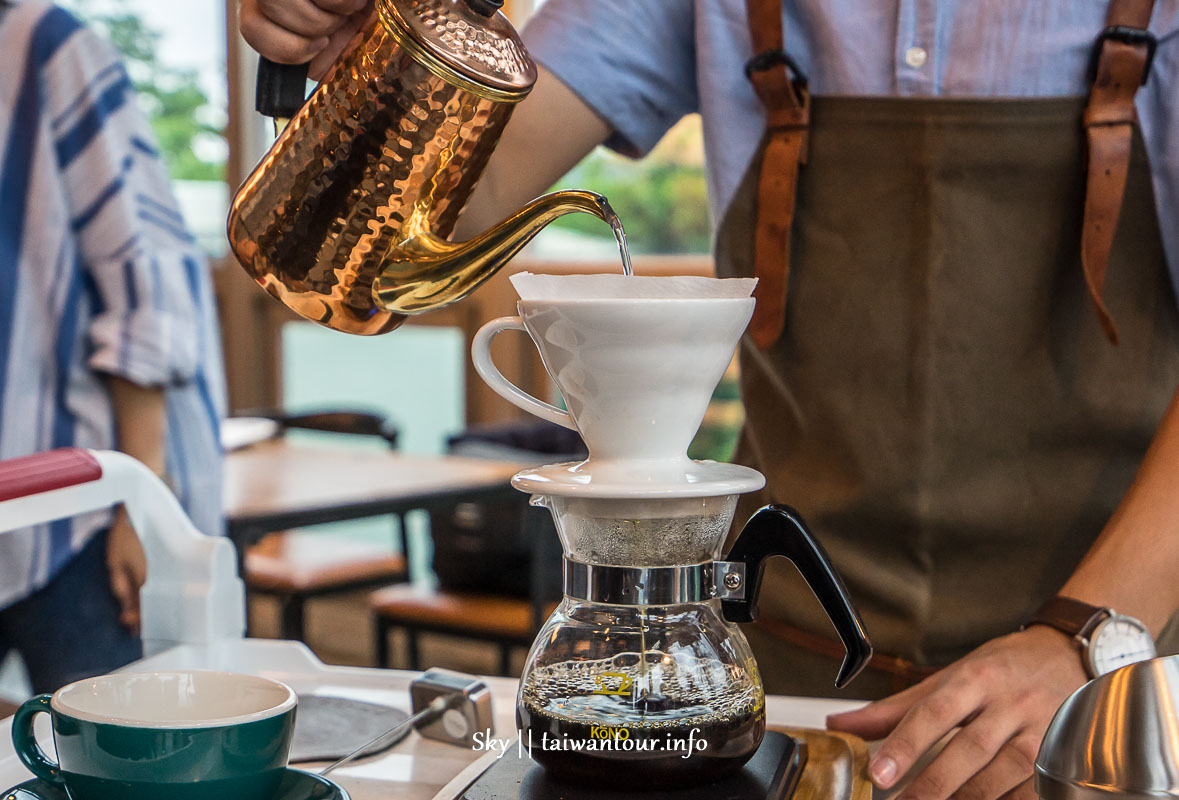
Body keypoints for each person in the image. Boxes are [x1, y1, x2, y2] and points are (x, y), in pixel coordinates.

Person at [239, 1, 1179, 798]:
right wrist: (389, 76)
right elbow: (441, 222)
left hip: (1113, 687)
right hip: (801, 670)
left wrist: (1088, 640)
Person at [0, 0, 225, 693]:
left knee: (118, 755)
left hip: (73, 517)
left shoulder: (43, 46)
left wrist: (139, 506)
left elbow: (144, 285)